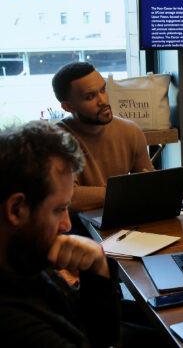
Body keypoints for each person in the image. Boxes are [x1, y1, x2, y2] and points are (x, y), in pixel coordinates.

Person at [0, 121, 121, 346]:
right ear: (16, 210)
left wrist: (97, 269)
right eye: (58, 210)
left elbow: (100, 337)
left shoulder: (25, 260)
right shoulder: (13, 323)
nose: (66, 225)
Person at [52, 62, 153, 213]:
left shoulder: (131, 131)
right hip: (76, 227)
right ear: (68, 107)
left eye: (103, 90)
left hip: (121, 218)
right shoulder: (55, 140)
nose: (103, 101)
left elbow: (148, 185)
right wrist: (124, 191)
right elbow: (68, 197)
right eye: (90, 96)